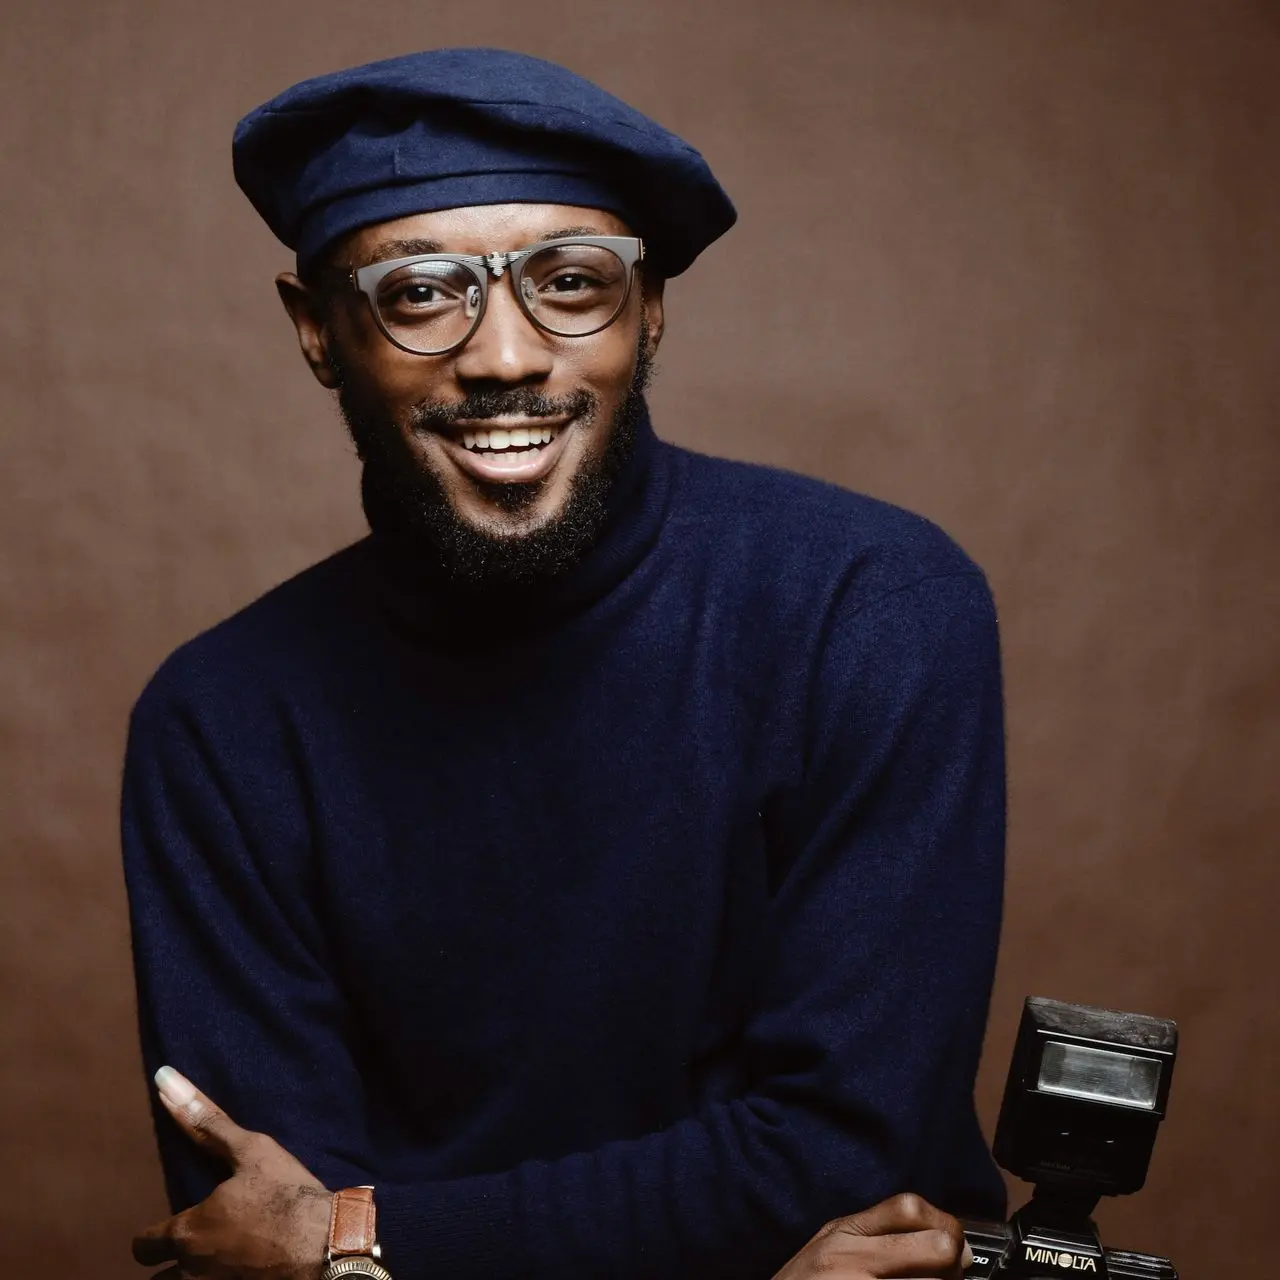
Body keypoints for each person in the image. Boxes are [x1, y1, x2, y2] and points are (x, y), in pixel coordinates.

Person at [122, 47, 1006, 1280]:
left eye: (570, 282)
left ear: (650, 312)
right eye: (419, 292)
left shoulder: (872, 607)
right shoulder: (219, 724)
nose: (502, 356)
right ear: (318, 331)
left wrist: (369, 1235)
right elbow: (257, 1235)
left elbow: (847, 1150)